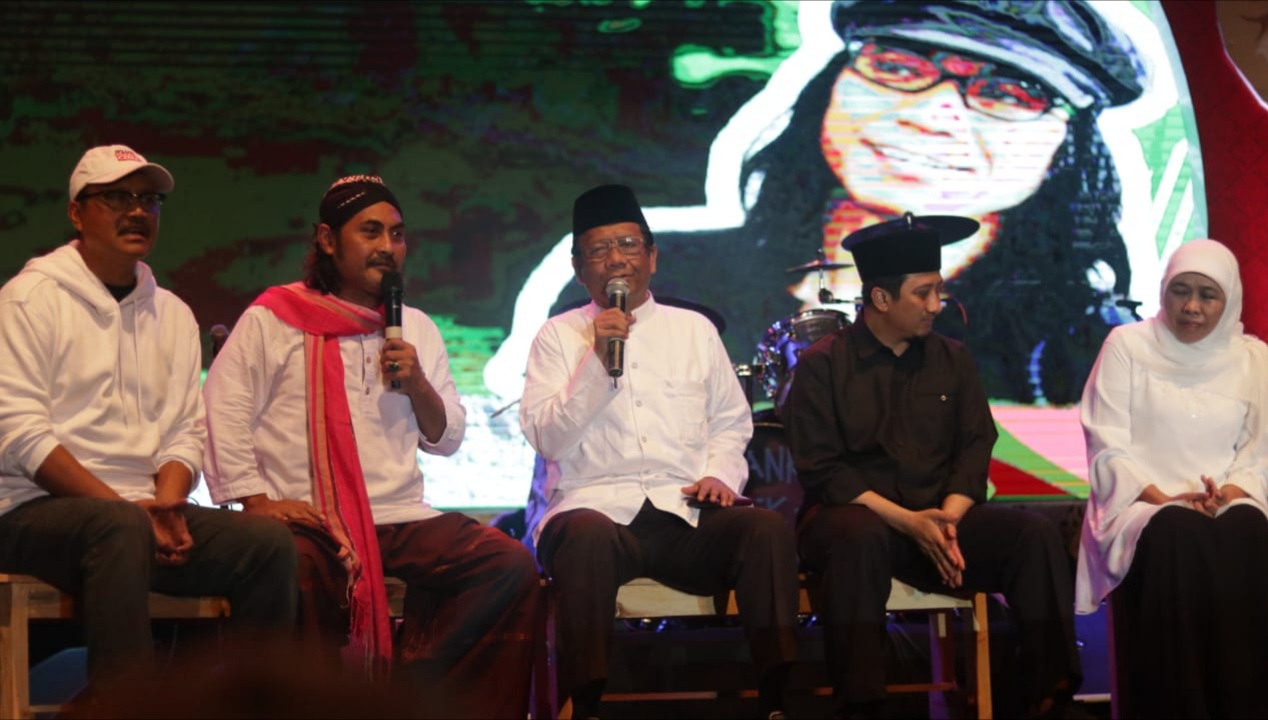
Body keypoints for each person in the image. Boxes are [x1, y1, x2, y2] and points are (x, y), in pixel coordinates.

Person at [489, 0, 1150, 408]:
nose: (934, 116)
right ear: (829, 93)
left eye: (1009, 93)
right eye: (897, 68)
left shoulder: (1075, 339)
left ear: (1070, 147)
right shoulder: (668, 282)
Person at [201, 175, 541, 719]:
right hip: (311, 520)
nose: (388, 246)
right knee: (295, 571)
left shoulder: (417, 328)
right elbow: (223, 407)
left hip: (399, 516)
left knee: (508, 565)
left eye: (398, 234)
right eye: (371, 231)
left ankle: (405, 697)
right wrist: (256, 502)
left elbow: (448, 438)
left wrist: (418, 384)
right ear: (328, 240)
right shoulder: (274, 318)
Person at [0, 144, 298, 697]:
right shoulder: (28, 299)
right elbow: (22, 436)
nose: (137, 211)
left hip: (139, 515)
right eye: (117, 197)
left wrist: (169, 504)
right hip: (29, 514)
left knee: (267, 543)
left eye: (149, 199)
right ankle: (126, 709)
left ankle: (251, 710)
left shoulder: (174, 313)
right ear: (76, 212)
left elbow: (185, 430)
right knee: (118, 529)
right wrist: (129, 512)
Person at [784, 213, 1081, 719]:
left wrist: (946, 518)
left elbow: (974, 444)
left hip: (941, 521)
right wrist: (910, 523)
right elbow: (825, 471)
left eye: (938, 291)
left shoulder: (953, 359)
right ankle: (863, 704)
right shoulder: (822, 364)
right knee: (859, 538)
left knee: (1031, 534)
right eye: (923, 294)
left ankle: (1045, 694)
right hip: (856, 519)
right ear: (881, 299)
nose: (936, 306)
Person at [520, 184, 800, 720]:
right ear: (579, 268)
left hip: (684, 513)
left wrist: (721, 474)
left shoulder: (692, 331)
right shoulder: (556, 338)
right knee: (585, 536)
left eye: (628, 244)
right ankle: (588, 704)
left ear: (652, 256)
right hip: (595, 512)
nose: (616, 258)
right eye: (599, 250)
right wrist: (597, 362)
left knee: (764, 530)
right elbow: (547, 438)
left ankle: (777, 700)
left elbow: (730, 423)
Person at [1076, 239, 1268, 719]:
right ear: (1163, 291)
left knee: (1247, 530)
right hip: (1141, 505)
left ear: (1229, 301)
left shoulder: (1253, 358)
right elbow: (1107, 442)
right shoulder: (1127, 346)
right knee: (1175, 532)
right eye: (1180, 291)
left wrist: (1229, 492)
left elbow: (1261, 449)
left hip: (1228, 498)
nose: (1192, 307)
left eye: (1208, 295)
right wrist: (1163, 497)